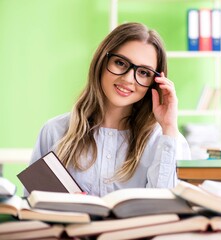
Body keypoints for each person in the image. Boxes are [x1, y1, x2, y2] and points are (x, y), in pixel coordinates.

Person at [27, 22, 191, 197]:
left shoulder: (168, 141)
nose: (128, 79)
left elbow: (166, 212)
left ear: (154, 82)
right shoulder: (54, 131)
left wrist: (169, 127)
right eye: (120, 63)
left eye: (144, 73)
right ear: (102, 61)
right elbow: (34, 206)